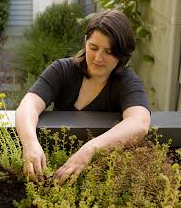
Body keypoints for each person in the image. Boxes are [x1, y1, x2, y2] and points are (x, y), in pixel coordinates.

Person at [15, 9, 150, 184]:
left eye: (108, 52)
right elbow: (29, 105)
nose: (98, 58)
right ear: (85, 42)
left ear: (122, 54)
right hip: (55, 165)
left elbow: (139, 123)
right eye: (93, 47)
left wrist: (89, 150)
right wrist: (30, 143)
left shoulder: (127, 82)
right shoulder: (62, 70)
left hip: (103, 177)